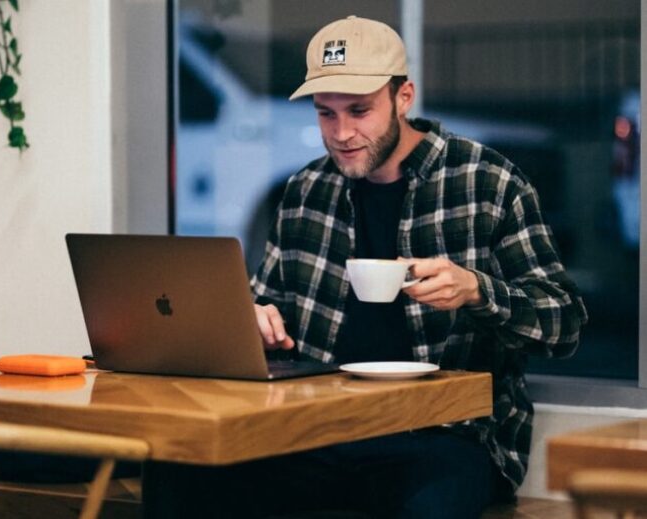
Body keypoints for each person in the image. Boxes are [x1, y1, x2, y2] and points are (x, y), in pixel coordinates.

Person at [143, 15, 587, 519]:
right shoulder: (305, 190)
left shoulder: (488, 184)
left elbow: (564, 324)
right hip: (319, 428)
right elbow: (268, 306)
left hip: (444, 437)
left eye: (359, 110)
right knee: (178, 470)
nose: (342, 134)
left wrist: (478, 291)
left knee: (425, 506)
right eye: (325, 114)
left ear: (404, 98)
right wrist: (255, 318)